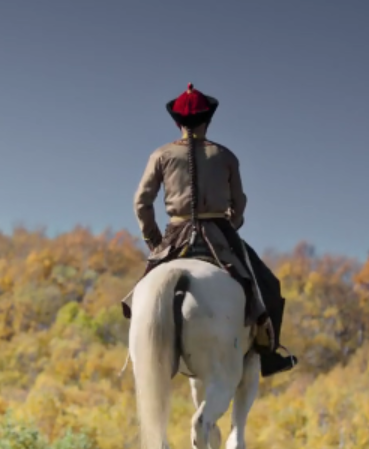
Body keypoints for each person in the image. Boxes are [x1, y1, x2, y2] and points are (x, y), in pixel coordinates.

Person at [121, 84, 297, 378]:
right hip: (219, 233)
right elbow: (239, 202)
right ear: (208, 120)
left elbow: (142, 203)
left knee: (142, 291)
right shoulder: (226, 156)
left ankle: (138, 348)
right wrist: (233, 221)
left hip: (174, 235)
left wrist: (153, 240)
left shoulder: (160, 155)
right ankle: (270, 353)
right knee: (267, 284)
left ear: (177, 122)